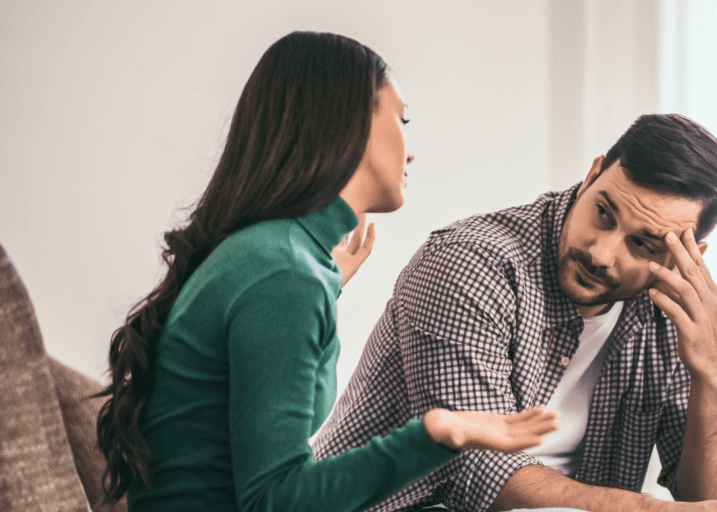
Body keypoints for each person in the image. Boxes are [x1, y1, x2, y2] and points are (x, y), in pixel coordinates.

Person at [93, 31, 559, 512]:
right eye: (402, 119)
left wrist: (320, 286)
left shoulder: (272, 258)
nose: (412, 150)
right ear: (352, 122)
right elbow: (278, 500)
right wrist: (437, 433)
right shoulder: (282, 274)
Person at [311, 113, 717, 512]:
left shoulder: (670, 311)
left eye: (642, 244)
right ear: (592, 174)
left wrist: (712, 364)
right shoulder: (471, 263)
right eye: (603, 213)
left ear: (686, 259)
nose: (601, 253)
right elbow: (477, 474)